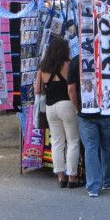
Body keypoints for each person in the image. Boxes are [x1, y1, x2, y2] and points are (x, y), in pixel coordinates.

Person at [68, 55, 110, 197]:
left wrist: (78, 109)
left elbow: (71, 89)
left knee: (91, 148)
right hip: (107, 111)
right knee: (108, 147)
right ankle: (107, 181)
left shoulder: (77, 59)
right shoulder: (109, 57)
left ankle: (93, 187)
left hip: (86, 113)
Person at [34, 37, 80, 188]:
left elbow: (37, 90)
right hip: (66, 105)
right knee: (72, 142)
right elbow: (71, 89)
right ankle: (72, 177)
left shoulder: (43, 67)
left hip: (50, 107)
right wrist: (77, 106)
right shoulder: (68, 65)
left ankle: (61, 176)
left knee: (57, 142)